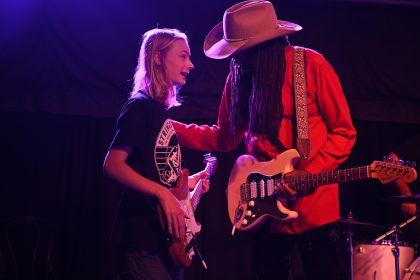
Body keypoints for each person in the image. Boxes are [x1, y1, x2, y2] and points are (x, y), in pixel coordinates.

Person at [171, 1, 356, 279]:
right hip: (263, 211)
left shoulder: (311, 65)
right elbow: (224, 137)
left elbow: (344, 132)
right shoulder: (239, 78)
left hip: (315, 207)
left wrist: (309, 172)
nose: (237, 60)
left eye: (242, 52)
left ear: (264, 47)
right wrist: (170, 128)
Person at [103, 28, 210, 280]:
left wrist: (191, 183)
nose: (190, 64)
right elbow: (112, 165)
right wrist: (161, 192)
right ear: (158, 58)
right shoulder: (139, 107)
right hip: (143, 239)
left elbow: (158, 173)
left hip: (166, 240)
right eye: (183, 56)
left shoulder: (158, 111)